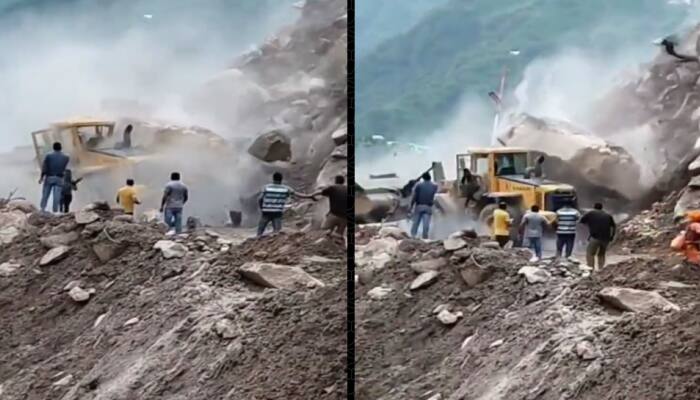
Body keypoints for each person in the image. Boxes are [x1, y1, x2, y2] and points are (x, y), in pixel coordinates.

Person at [580, 202, 616, 271]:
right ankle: (601, 269)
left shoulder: (590, 213)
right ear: (601, 208)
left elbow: (582, 222)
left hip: (595, 237)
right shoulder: (608, 215)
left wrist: (589, 226)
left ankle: (591, 268)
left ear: (594, 207)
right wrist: (612, 236)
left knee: (590, 253)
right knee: (601, 254)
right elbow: (613, 226)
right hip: (606, 238)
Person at [257, 172, 294, 237]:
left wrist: (262, 208)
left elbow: (260, 199)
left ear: (273, 179)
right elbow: (292, 194)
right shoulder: (286, 188)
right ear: (281, 179)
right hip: (277, 212)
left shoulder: (266, 187)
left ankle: (256, 241)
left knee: (260, 231)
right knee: (277, 232)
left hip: (266, 212)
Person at [39, 142, 70, 213]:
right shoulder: (66, 157)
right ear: (61, 147)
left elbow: (44, 168)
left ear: (53, 148)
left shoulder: (48, 156)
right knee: (57, 196)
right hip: (59, 178)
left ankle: (42, 209)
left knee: (45, 194)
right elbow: (65, 168)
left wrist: (41, 178)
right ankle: (55, 211)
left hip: (49, 177)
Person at [410, 172, 438, 239]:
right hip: (428, 207)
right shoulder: (435, 186)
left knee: (415, 224)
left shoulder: (418, 185)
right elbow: (433, 195)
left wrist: (411, 206)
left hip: (419, 206)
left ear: (423, 178)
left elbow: (414, 196)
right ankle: (425, 238)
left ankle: (412, 237)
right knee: (426, 225)